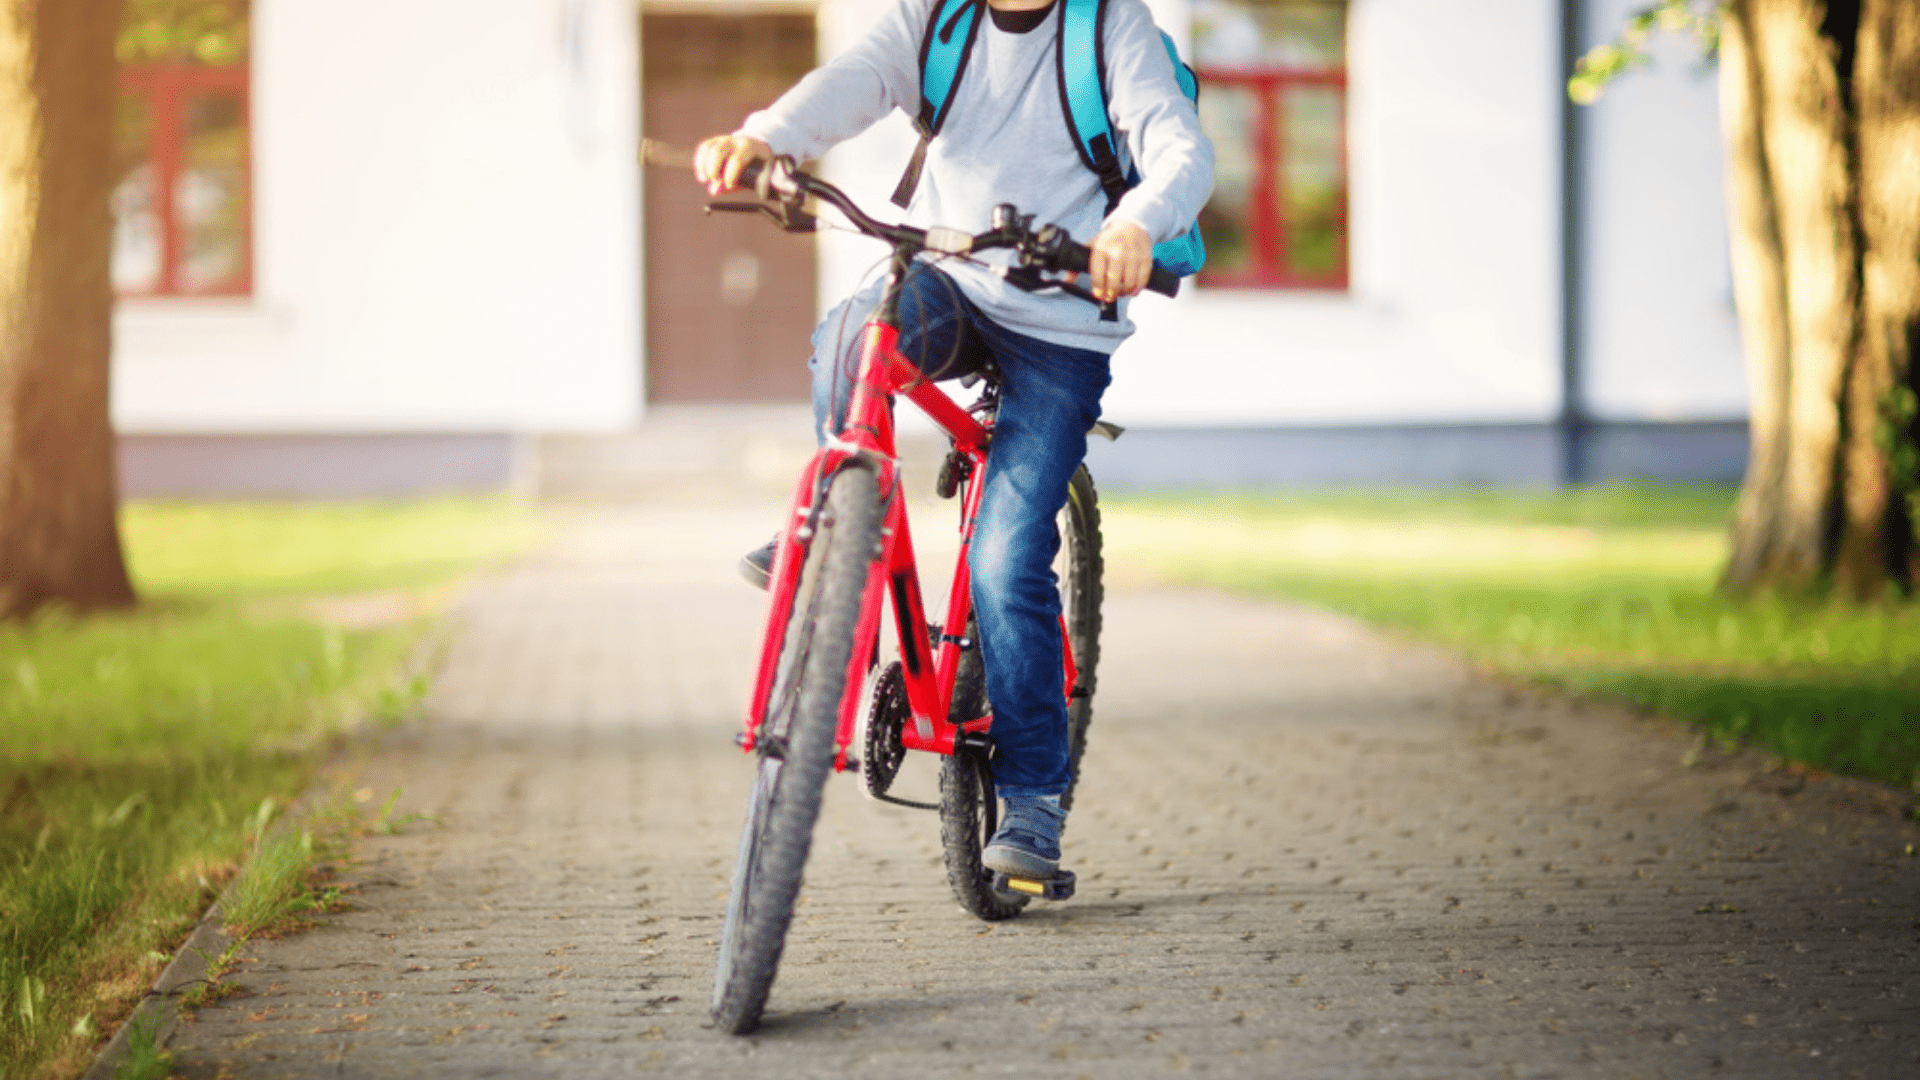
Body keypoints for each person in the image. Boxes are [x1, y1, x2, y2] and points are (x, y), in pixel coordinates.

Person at [693, 0, 1212, 883]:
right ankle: (839, 524)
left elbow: (1178, 146)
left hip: (1062, 318)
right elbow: (852, 83)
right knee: (860, 332)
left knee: (1006, 561)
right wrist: (769, 137)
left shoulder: (1107, 25)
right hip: (954, 279)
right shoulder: (933, 16)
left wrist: (1135, 222)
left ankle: (1035, 802)